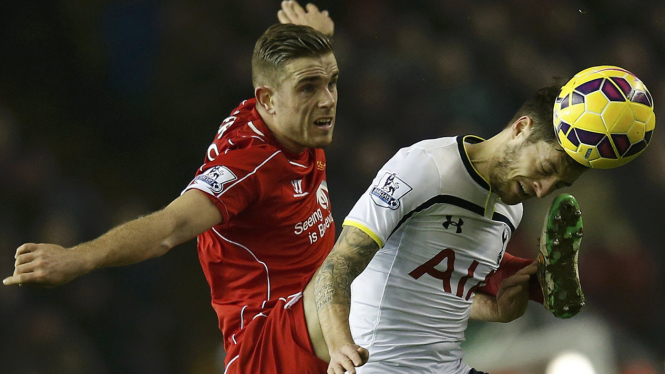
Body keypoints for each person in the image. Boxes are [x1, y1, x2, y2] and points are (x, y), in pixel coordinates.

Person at [3, 4, 340, 372]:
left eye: (332, 82)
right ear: (268, 101)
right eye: (309, 87)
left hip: (315, 321)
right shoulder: (249, 167)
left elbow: (300, 72)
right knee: (369, 256)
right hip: (272, 344)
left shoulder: (289, 116)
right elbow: (170, 226)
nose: (327, 99)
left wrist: (315, 38)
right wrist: (77, 257)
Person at [313, 83, 588, 374]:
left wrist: (494, 311)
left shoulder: (511, 209)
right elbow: (338, 264)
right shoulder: (426, 167)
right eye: (546, 169)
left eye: (558, 185)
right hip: (378, 366)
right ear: (521, 128)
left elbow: (441, 293)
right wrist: (339, 345)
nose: (543, 191)